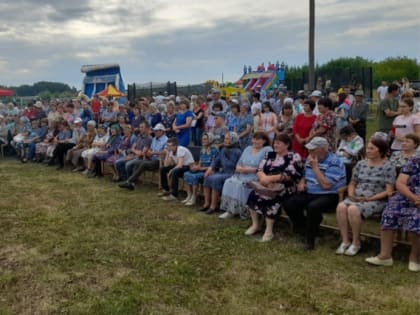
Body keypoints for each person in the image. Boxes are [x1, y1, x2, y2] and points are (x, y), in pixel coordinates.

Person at [282, 137, 347, 250]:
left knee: (313, 207)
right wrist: (302, 182)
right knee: (289, 203)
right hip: (311, 191)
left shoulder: (335, 162)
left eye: (312, 149)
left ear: (323, 149)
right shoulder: (311, 158)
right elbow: (305, 175)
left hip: (330, 194)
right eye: (309, 149)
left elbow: (326, 185)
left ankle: (310, 241)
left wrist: (315, 168)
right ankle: (306, 230)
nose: (309, 152)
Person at [335, 138, 396, 256]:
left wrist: (370, 199)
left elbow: (389, 190)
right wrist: (351, 194)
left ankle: (356, 242)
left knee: (353, 209)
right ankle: (345, 241)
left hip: (376, 199)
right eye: (367, 148)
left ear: (381, 151)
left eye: (372, 148)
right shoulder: (361, 164)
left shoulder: (389, 166)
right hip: (356, 197)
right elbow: (352, 183)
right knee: (341, 206)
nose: (368, 151)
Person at [245, 134, 304, 241]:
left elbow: (290, 174)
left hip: (285, 187)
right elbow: (259, 169)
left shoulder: (294, 156)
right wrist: (264, 179)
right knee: (253, 194)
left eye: (278, 143)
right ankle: (255, 225)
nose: (275, 145)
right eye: (274, 143)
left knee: (270, 198)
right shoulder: (270, 154)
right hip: (266, 184)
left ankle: (269, 230)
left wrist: (269, 179)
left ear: (287, 145)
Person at [366, 156, 420, 272]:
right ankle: (385, 256)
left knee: (417, 218)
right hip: (408, 196)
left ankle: (415, 257)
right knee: (390, 212)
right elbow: (400, 183)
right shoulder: (415, 161)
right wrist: (413, 197)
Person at [219, 132, 273, 219]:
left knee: (241, 185)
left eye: (257, 139)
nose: (254, 141)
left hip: (256, 176)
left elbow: (266, 168)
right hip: (241, 174)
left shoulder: (268, 150)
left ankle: (244, 211)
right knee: (229, 182)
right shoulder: (248, 148)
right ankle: (230, 210)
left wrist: (248, 169)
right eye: (253, 139)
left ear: (264, 141)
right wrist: (239, 168)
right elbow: (239, 163)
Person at [200, 132, 242, 214]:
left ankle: (213, 206)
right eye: (225, 138)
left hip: (232, 173)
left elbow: (236, 165)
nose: (225, 140)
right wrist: (210, 168)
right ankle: (206, 203)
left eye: (227, 139)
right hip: (223, 172)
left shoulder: (238, 151)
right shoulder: (223, 149)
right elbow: (216, 160)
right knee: (207, 177)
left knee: (216, 179)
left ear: (233, 140)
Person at [118, 123, 168, 190]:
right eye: (154, 131)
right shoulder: (154, 139)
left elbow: (166, 152)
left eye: (156, 131)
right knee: (137, 162)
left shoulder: (166, 140)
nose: (154, 132)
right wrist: (149, 152)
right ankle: (131, 183)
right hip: (150, 158)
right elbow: (150, 149)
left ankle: (128, 181)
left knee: (142, 163)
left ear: (161, 131)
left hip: (159, 160)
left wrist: (153, 153)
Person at [182, 133, 219, 206]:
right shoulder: (202, 149)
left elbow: (214, 165)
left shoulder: (214, 150)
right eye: (202, 139)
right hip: (201, 169)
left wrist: (200, 168)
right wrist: (196, 167)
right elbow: (200, 162)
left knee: (194, 176)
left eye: (205, 139)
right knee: (186, 174)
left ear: (210, 140)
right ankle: (189, 195)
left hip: (209, 171)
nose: (203, 141)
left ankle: (194, 197)